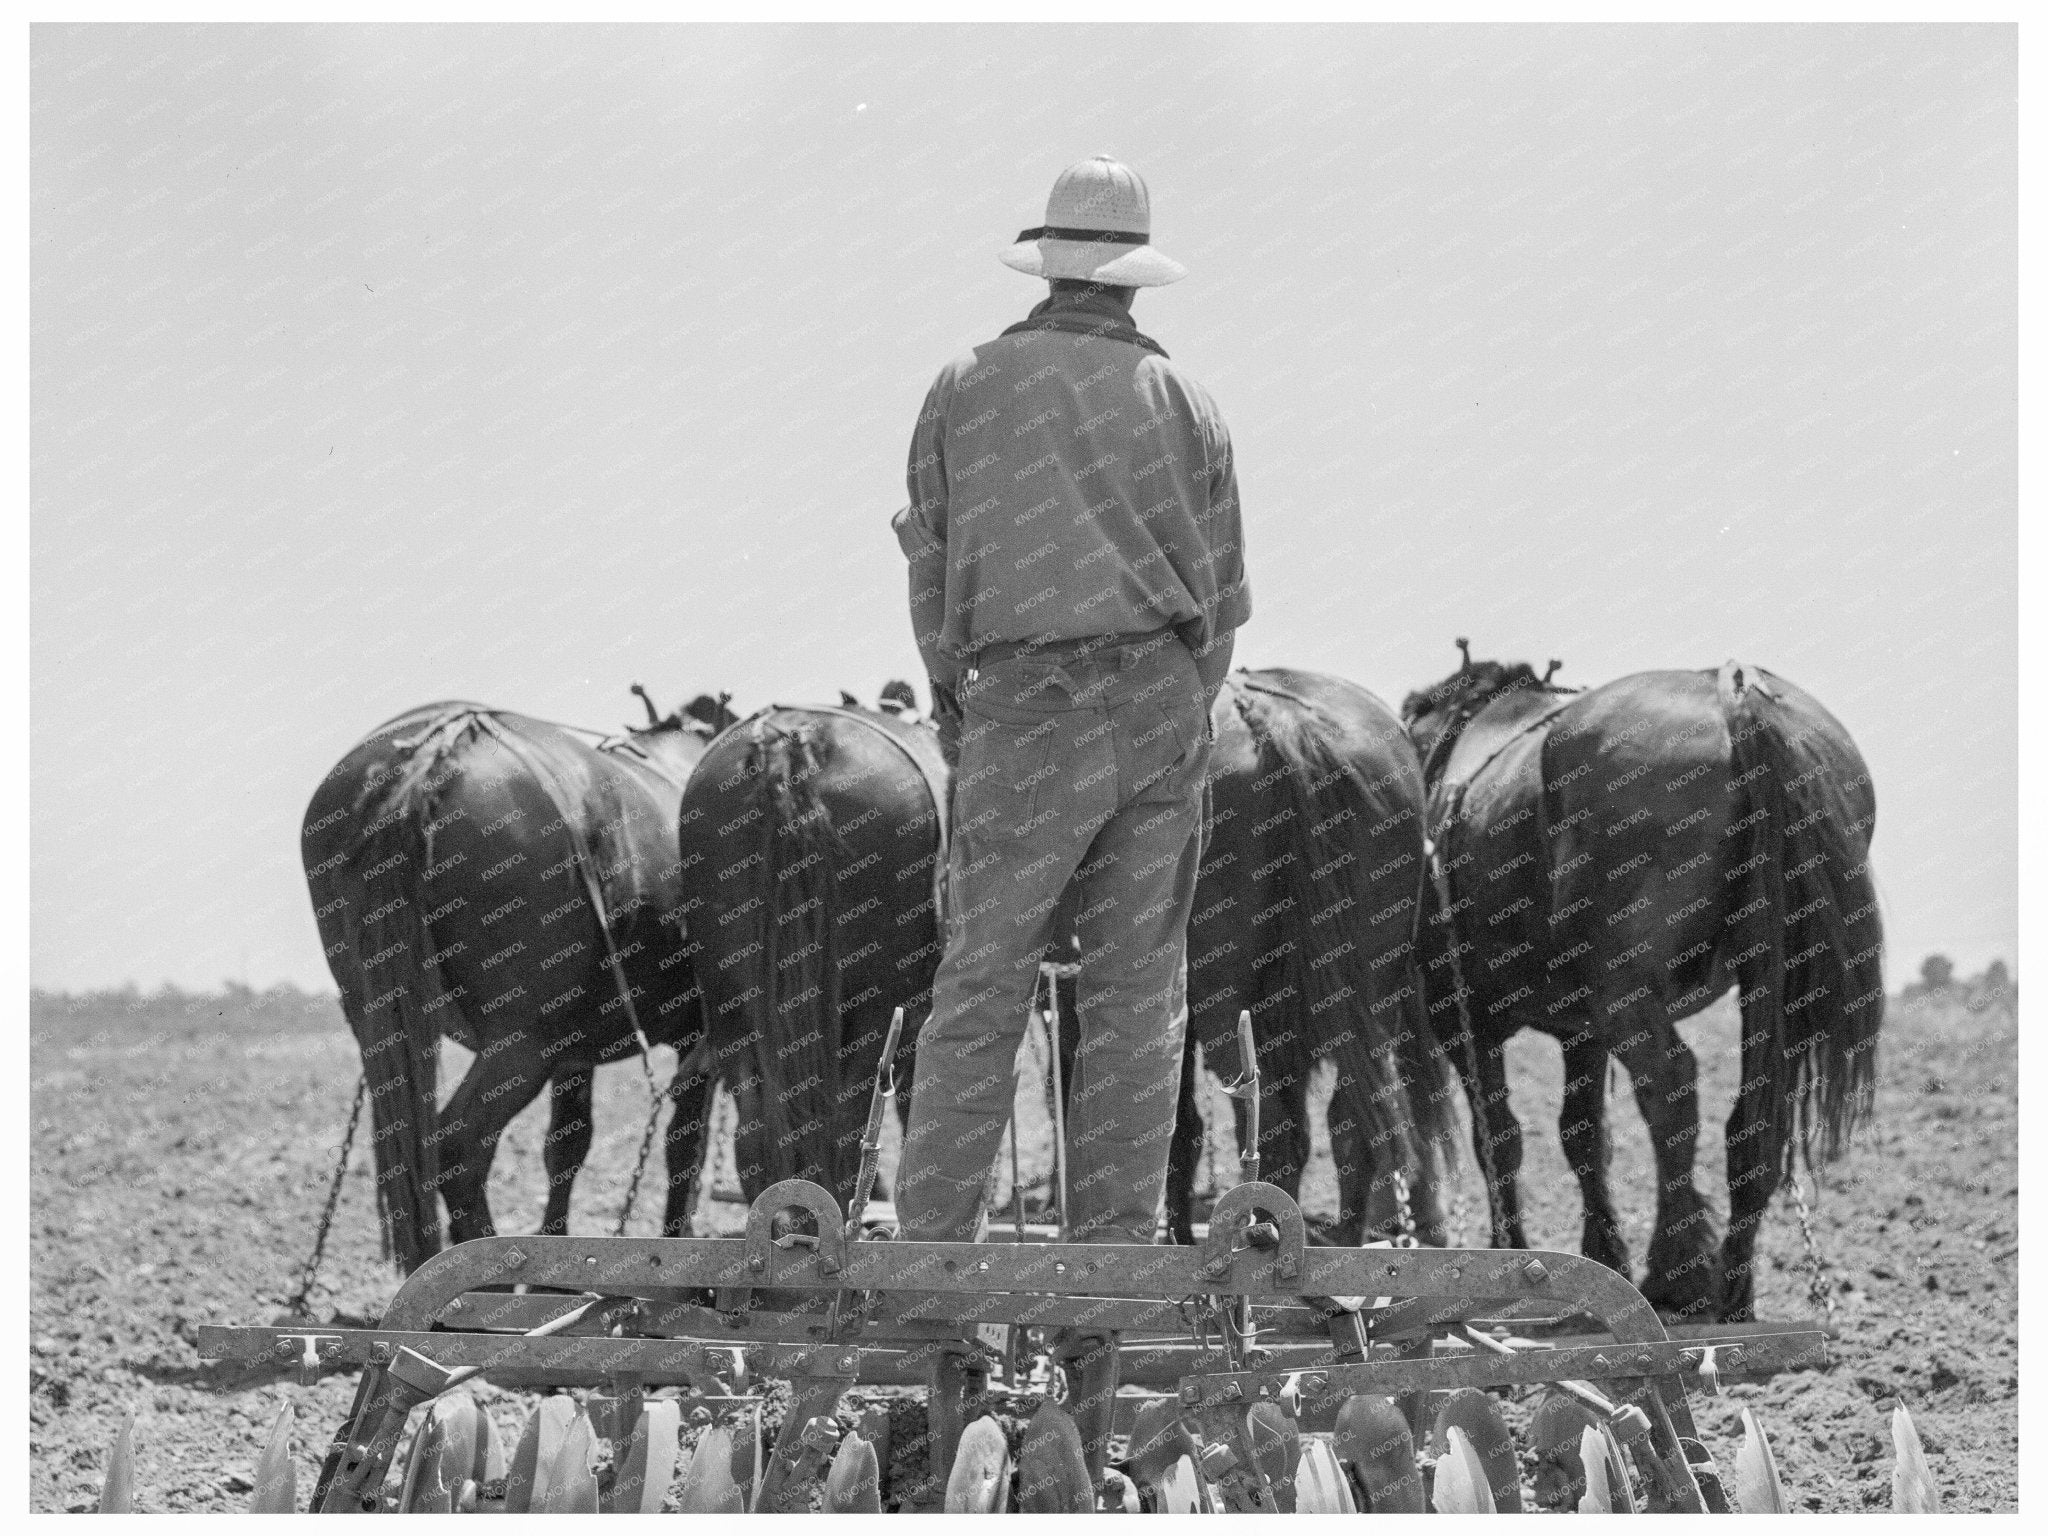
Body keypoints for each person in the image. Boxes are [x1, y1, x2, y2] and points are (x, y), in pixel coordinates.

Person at [888, 154, 1250, 1489]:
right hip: (1159, 695)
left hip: (1018, 698)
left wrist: (966, 703)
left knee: (978, 987)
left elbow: (930, 563)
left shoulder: (965, 384)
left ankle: (931, 1270)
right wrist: (1166, 707)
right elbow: (1224, 601)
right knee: (1139, 1001)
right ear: (1133, 271)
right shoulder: (1186, 399)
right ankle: (1109, 1276)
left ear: (1045, 263)